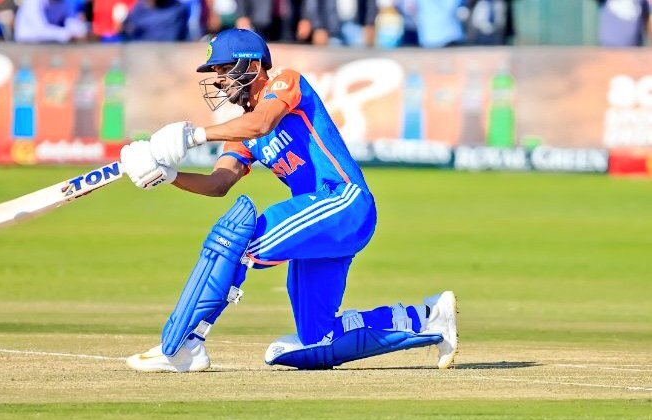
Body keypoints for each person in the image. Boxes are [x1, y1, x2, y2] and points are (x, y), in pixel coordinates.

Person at [119, 28, 458, 372]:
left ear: (249, 65)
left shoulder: (284, 82)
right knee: (317, 338)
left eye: (222, 70)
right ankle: (428, 318)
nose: (219, 81)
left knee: (235, 239)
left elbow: (262, 123)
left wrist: (194, 136)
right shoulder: (241, 133)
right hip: (323, 225)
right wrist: (170, 176)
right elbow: (219, 183)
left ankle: (187, 343)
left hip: (343, 201)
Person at [14, 0, 87, 43]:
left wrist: (81, 30)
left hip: (54, 46)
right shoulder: (32, 2)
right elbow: (40, 31)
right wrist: (67, 34)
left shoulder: (64, 2)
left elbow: (73, 24)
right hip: (26, 45)